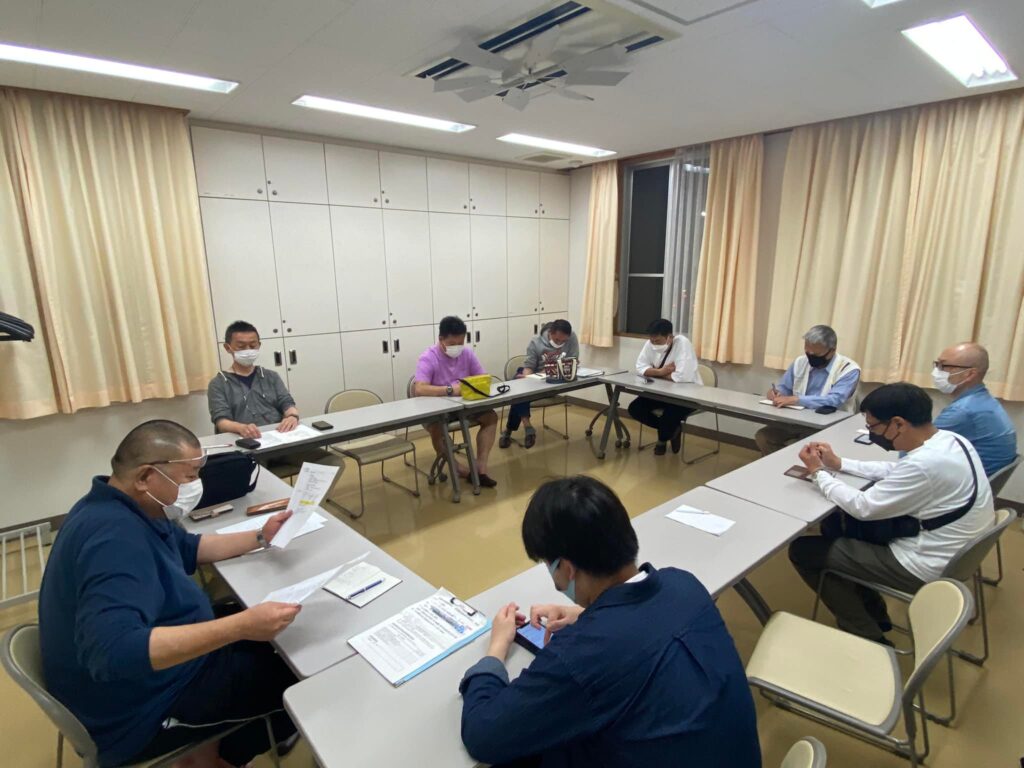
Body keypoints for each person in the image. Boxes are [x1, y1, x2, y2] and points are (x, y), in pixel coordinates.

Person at [39, 420, 303, 768]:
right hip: (142, 708)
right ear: (146, 476)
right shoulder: (113, 539)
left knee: (279, 633)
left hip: (167, 663)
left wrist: (260, 536)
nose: (195, 486)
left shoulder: (127, 506)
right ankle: (223, 754)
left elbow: (190, 547)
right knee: (296, 672)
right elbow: (112, 653)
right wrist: (240, 627)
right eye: (189, 476)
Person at [459, 476, 761, 768]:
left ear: (566, 567)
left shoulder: (579, 656)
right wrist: (588, 616)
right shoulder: (684, 584)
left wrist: (497, 648)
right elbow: (645, 630)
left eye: (547, 565)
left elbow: (483, 735)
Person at [788, 383, 995, 643]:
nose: (872, 432)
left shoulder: (925, 464)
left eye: (873, 426)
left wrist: (818, 472)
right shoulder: (950, 441)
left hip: (922, 564)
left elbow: (863, 507)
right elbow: (897, 471)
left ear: (898, 423)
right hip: (952, 551)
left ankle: (868, 636)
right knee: (835, 528)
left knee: (803, 550)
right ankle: (876, 613)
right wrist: (839, 464)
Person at [208, 319, 339, 468]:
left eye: (252, 345)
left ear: (259, 345)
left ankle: (302, 493)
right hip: (248, 448)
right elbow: (221, 421)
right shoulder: (218, 383)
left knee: (331, 463)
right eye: (241, 346)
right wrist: (241, 428)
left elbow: (287, 402)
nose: (248, 350)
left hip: (280, 441)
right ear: (228, 348)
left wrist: (292, 416)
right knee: (252, 478)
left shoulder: (270, 376)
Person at [414, 315, 499, 488]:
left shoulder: (466, 353)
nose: (457, 348)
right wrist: (450, 389)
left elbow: (482, 377)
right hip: (436, 409)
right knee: (439, 429)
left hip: (464, 406)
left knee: (490, 417)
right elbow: (420, 388)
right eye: (452, 344)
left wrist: (477, 385)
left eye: (460, 343)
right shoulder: (428, 357)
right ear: (441, 339)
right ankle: (458, 468)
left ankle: (480, 468)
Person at [755, 324, 861, 455]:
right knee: (764, 437)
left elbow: (835, 400)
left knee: (798, 448)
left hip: (829, 425)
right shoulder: (800, 362)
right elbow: (785, 387)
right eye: (807, 352)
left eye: (816, 354)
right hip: (796, 420)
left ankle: (799, 468)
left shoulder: (848, 369)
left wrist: (797, 399)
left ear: (832, 351)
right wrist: (775, 393)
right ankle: (780, 468)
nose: (810, 357)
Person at [931, 342, 1017, 476]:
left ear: (969, 374)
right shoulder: (985, 401)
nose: (936, 372)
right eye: (936, 364)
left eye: (944, 366)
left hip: (961, 490)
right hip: (978, 483)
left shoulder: (962, 411)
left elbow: (913, 453)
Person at [499, 319, 579, 449]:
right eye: (557, 340)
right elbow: (529, 366)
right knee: (520, 386)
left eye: (563, 341)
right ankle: (527, 426)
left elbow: (573, 360)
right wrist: (528, 376)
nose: (560, 343)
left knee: (519, 394)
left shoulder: (572, 338)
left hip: (557, 380)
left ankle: (509, 431)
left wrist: (551, 369)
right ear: (550, 333)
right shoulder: (536, 343)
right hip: (537, 377)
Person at [628, 318, 702, 455]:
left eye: (658, 341)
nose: (654, 344)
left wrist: (654, 373)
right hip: (661, 391)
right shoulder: (650, 343)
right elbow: (640, 367)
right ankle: (672, 430)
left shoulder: (682, 343)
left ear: (669, 337)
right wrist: (662, 372)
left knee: (669, 416)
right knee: (635, 409)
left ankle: (662, 439)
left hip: (687, 395)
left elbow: (682, 377)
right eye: (652, 340)